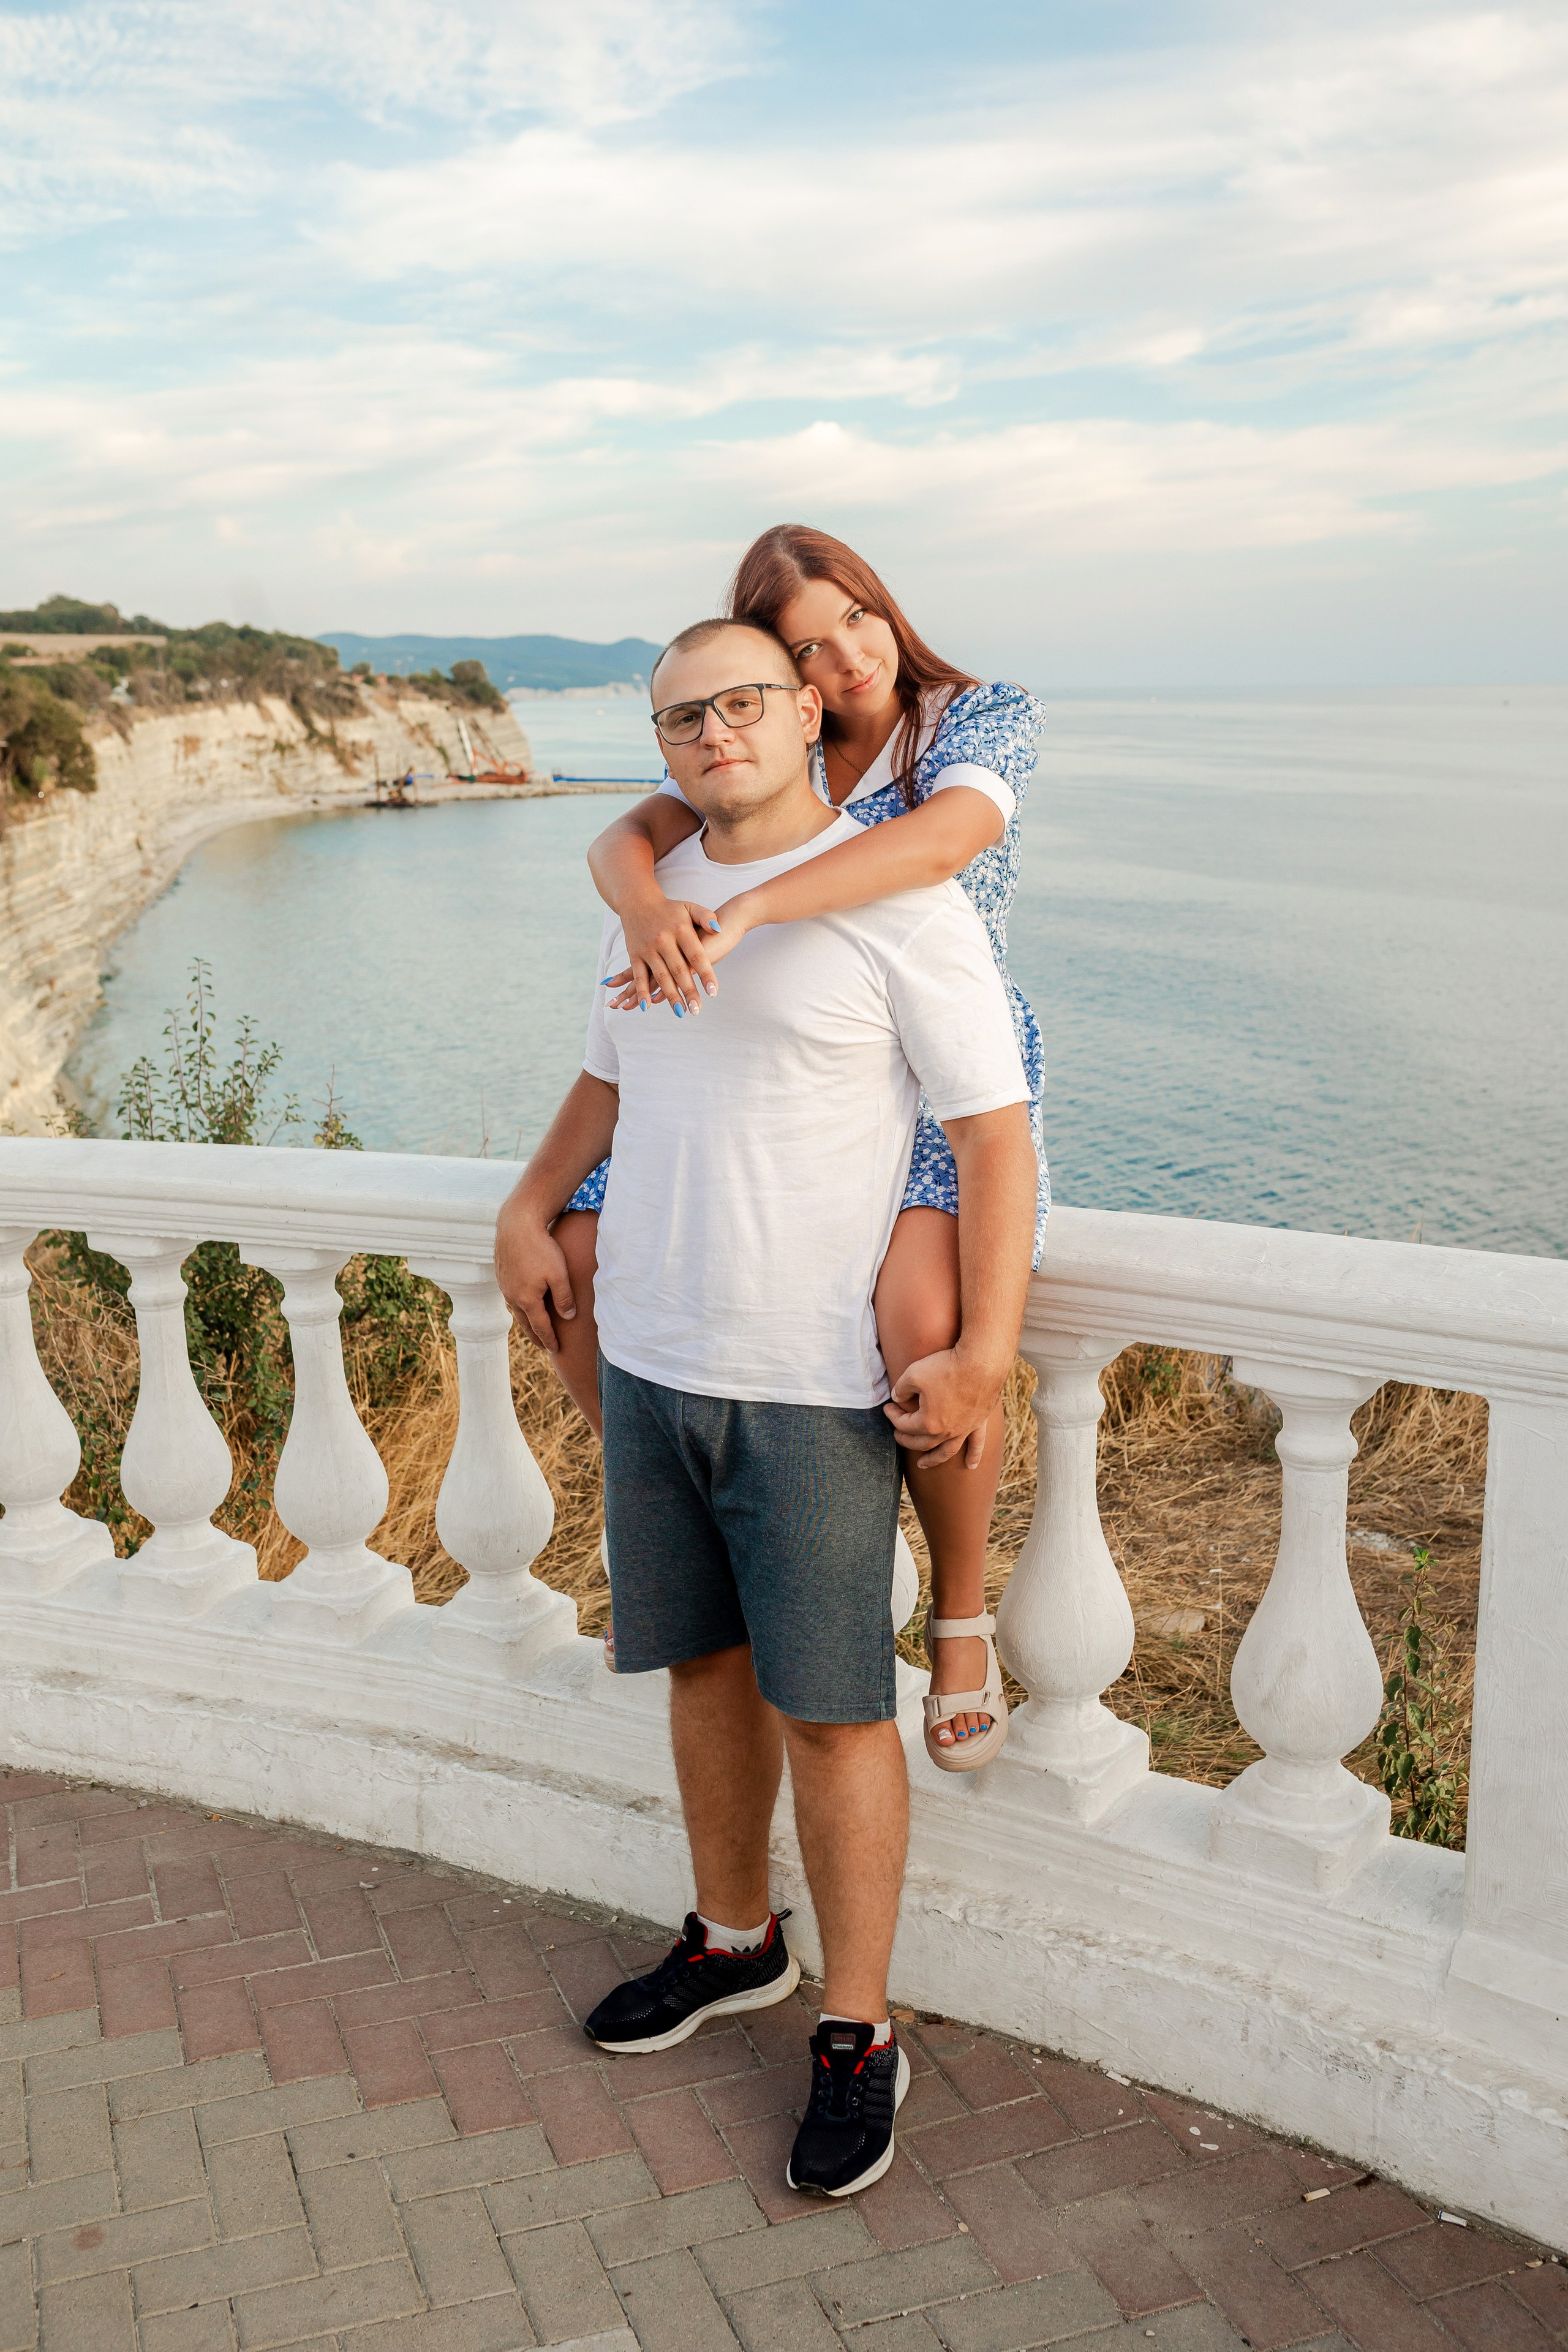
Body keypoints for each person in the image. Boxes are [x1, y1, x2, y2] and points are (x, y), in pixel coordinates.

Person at [494, 617, 1035, 2197]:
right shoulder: (654, 905)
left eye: (743, 701)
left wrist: (984, 1349)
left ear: (808, 710)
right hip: (653, 1355)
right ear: (660, 748)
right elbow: (609, 1082)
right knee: (700, 1669)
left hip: (807, 1379)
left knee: (829, 1710)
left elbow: (991, 1140)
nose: (714, 733)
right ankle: (734, 1940)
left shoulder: (903, 906)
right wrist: (531, 1205)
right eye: (681, 718)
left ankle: (856, 2031)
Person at [543, 526, 1047, 1769]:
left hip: (931, 1059)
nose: (848, 654)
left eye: (858, 617)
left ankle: (961, 1616)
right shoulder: (764, 745)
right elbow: (619, 842)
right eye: (810, 645)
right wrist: (653, 906)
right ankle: (697, 1522)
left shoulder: (969, 717)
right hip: (759, 1030)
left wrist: (747, 906)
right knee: (569, 1260)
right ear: (786, 675)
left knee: (918, 1314)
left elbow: (937, 847)